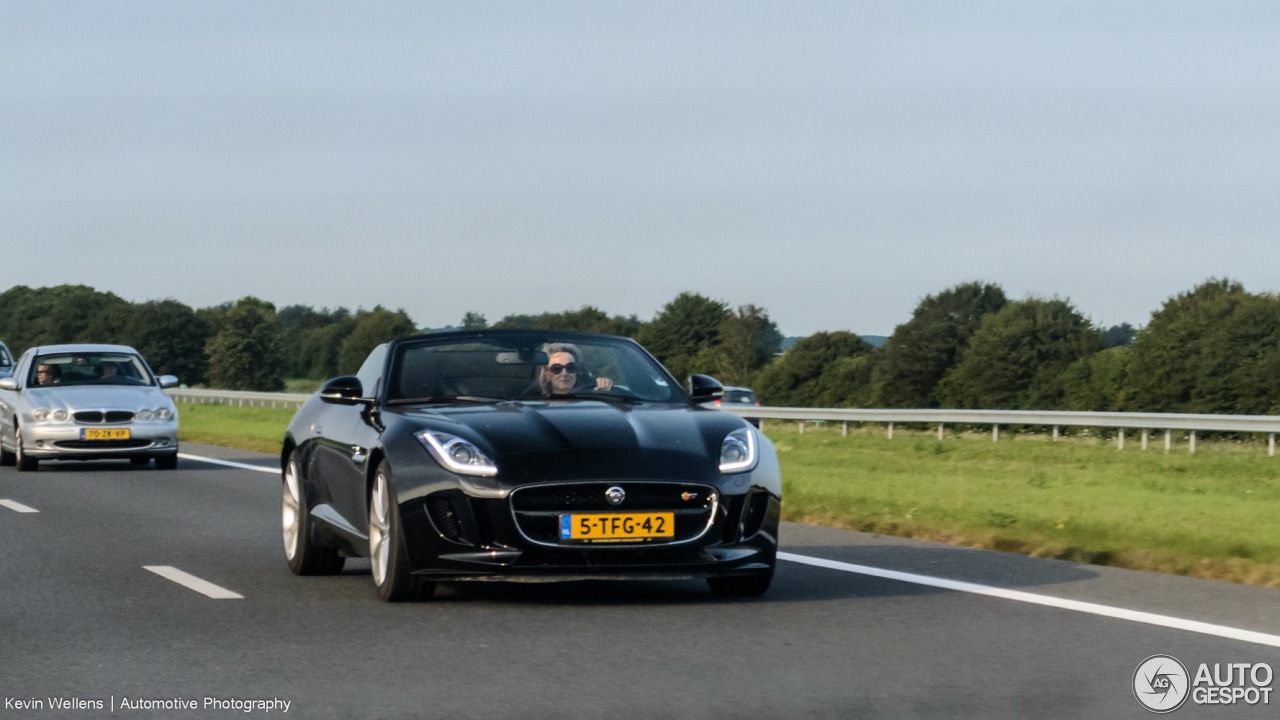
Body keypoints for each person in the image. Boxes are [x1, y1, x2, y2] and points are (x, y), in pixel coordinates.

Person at [535, 343, 612, 396]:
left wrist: (604, 386)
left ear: (577, 372)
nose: (564, 373)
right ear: (547, 374)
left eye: (570, 367)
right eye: (557, 368)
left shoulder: (589, 403)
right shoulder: (535, 403)